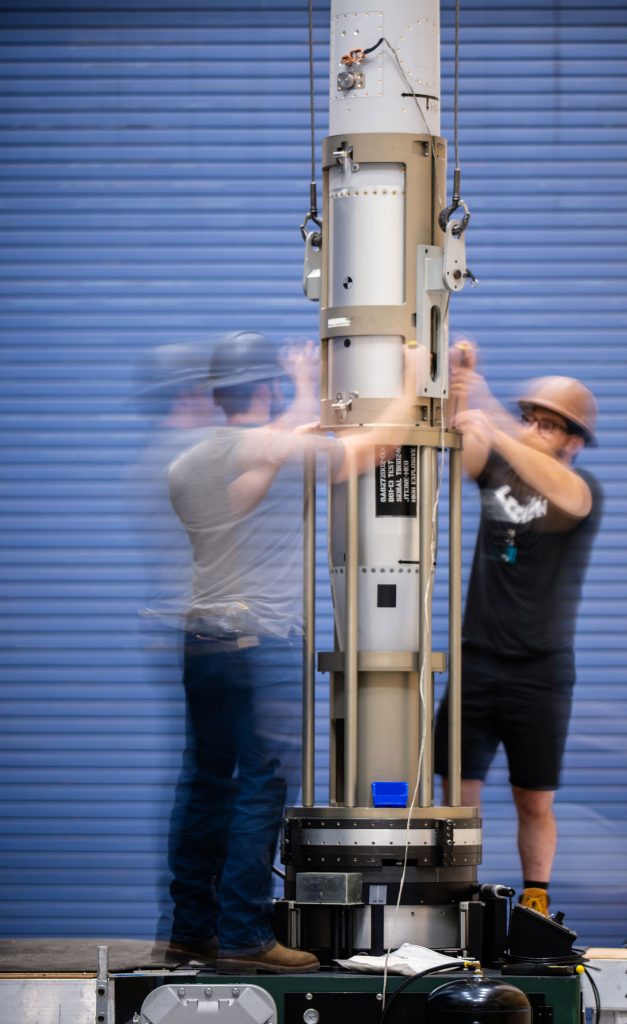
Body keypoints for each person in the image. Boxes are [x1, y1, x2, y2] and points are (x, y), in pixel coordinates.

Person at [165, 330, 421, 971]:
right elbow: (378, 444)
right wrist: (414, 378)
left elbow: (273, 448)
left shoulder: (191, 462)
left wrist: (303, 392)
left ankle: (192, 930)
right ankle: (248, 938)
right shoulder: (274, 449)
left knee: (202, 787)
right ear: (267, 387)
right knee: (259, 790)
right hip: (261, 646)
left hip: (201, 641)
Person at [435, 342, 603, 917]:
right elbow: (466, 448)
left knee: (534, 798)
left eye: (548, 425)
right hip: (478, 656)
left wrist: (495, 417)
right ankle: (457, 897)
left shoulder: (581, 491)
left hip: (541, 669)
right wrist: (463, 384)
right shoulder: (499, 471)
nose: (533, 430)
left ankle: (535, 901)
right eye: (531, 417)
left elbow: (562, 493)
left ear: (572, 442)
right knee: (458, 794)